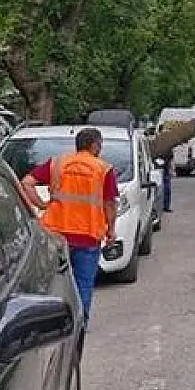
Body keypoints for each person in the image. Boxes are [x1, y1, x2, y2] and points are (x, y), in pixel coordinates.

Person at [19, 128, 118, 325]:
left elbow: (27, 183)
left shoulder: (57, 163)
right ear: (94, 145)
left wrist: (40, 204)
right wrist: (111, 230)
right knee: (83, 283)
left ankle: (51, 323)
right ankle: (79, 325)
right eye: (100, 145)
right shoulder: (103, 169)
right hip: (88, 236)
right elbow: (110, 204)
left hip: (56, 233)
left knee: (54, 282)